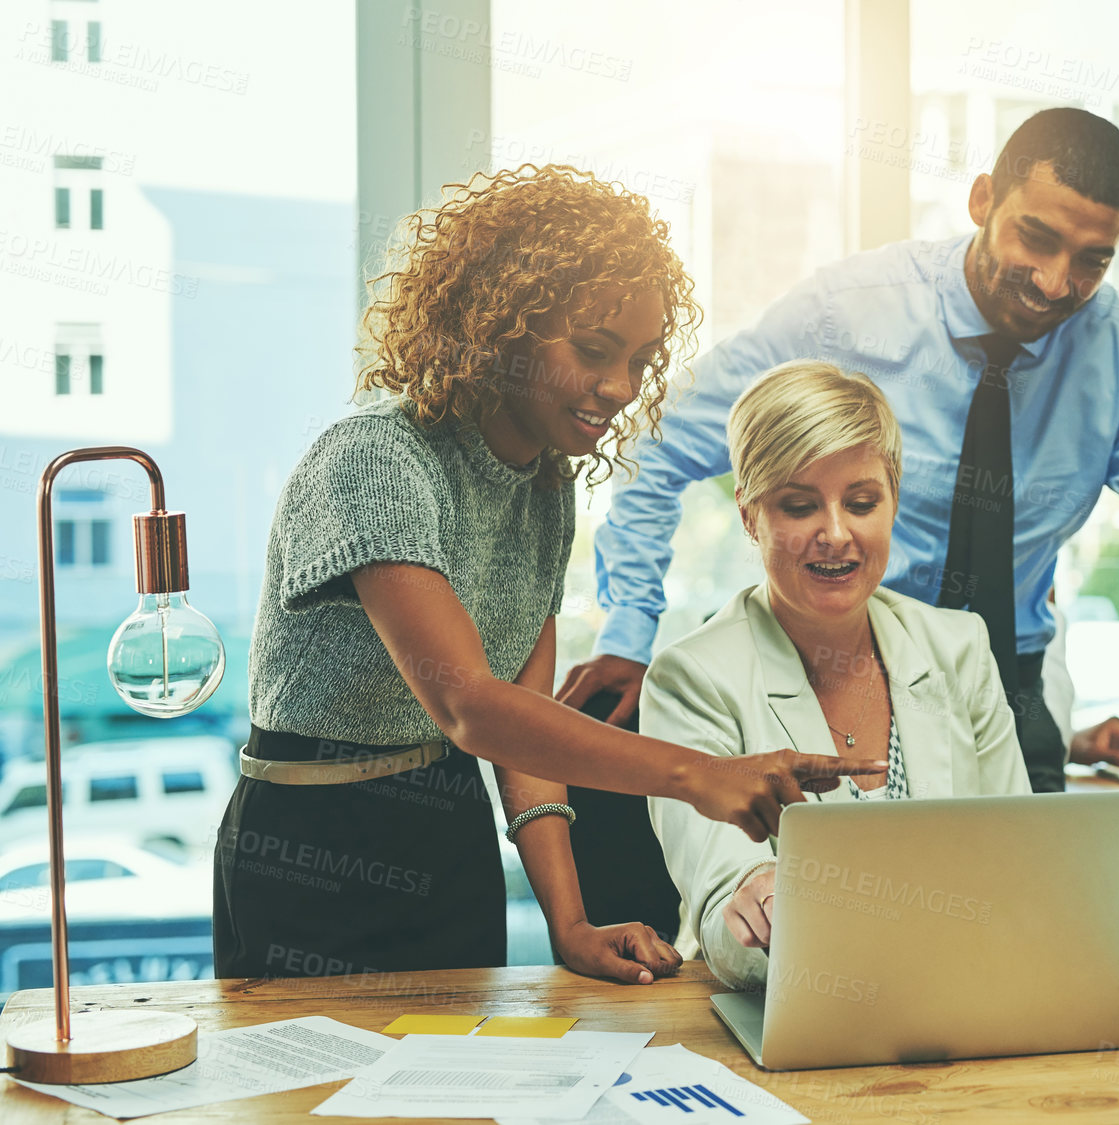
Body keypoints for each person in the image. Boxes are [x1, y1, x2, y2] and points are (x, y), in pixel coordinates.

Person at [213, 167, 882, 984]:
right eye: (595, 352)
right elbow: (469, 703)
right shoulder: (375, 459)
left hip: (447, 835)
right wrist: (698, 773)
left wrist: (570, 923)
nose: (620, 389)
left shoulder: (543, 486)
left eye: (638, 360)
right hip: (307, 844)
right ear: (499, 325)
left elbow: (522, 722)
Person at [568, 107, 1119, 847]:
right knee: (818, 922)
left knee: (1025, 926)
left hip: (1010, 684)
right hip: (828, 678)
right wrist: (628, 635)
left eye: (1093, 260)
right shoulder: (850, 311)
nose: (1056, 282)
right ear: (981, 202)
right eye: (1035, 238)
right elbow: (659, 445)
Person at [643, 361, 1030, 989]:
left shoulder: (959, 646)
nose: (835, 534)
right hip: (789, 1003)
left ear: (892, 503)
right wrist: (756, 899)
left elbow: (1020, 858)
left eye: (861, 502)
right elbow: (722, 905)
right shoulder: (691, 678)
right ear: (750, 516)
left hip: (962, 992)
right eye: (798, 506)